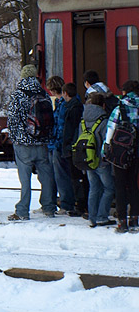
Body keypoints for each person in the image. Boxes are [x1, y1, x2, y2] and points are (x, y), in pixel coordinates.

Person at [3, 64, 56, 221]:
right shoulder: (44, 94)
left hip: (23, 144)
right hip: (42, 141)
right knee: (46, 176)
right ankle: (49, 207)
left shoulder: (18, 95)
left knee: (25, 178)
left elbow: (12, 120)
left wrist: (16, 137)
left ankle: (22, 211)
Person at [103, 79, 139, 233]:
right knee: (133, 184)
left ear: (124, 91)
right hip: (137, 150)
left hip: (121, 151)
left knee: (120, 185)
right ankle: (135, 218)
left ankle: (122, 222)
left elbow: (111, 128)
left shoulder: (120, 106)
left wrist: (106, 147)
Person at [82, 93, 115, 228]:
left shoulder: (83, 120)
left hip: (88, 160)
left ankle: (92, 217)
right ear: (103, 105)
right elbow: (107, 141)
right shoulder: (104, 120)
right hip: (101, 161)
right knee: (109, 188)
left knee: (94, 188)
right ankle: (102, 216)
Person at [46, 76, 76, 215]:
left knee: (60, 175)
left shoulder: (62, 104)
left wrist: (56, 143)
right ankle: (64, 202)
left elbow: (60, 126)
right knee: (60, 175)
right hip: (57, 144)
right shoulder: (63, 102)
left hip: (57, 145)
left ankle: (66, 203)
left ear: (52, 89)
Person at [61, 82, 88, 216]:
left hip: (72, 148)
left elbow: (69, 130)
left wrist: (67, 146)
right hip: (76, 146)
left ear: (65, 93)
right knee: (78, 177)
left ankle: (80, 205)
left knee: (76, 177)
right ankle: (81, 203)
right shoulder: (77, 106)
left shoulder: (72, 108)